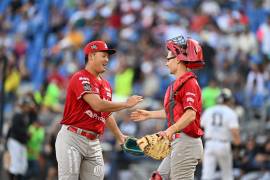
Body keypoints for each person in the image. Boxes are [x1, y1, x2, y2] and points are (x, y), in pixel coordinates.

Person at [55, 40, 143, 180]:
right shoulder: (80, 77)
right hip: (72, 138)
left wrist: (120, 136)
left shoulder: (107, 85)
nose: (107, 60)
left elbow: (106, 113)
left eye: (108, 56)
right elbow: (97, 105)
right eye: (103, 55)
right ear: (91, 56)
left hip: (94, 142)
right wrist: (126, 104)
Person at [131, 35, 205, 180]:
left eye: (168, 58)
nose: (166, 63)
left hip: (186, 142)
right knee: (158, 177)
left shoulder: (189, 83)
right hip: (178, 141)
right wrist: (149, 115)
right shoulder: (177, 84)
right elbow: (176, 113)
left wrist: (170, 130)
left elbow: (190, 115)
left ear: (178, 59)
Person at [201, 88, 241, 180]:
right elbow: (235, 132)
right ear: (229, 100)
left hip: (209, 143)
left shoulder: (209, 110)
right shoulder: (231, 112)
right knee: (227, 175)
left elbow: (201, 128)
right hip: (223, 144)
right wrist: (238, 149)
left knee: (207, 175)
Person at [6, 95, 36, 180]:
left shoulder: (25, 115)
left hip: (21, 143)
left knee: (22, 167)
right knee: (15, 165)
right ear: (22, 105)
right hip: (15, 141)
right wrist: (26, 133)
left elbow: (34, 118)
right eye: (27, 105)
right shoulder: (17, 115)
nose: (28, 107)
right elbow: (15, 129)